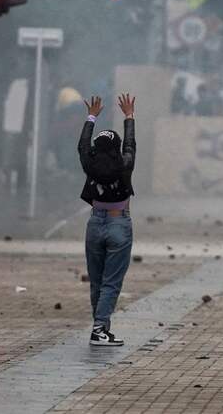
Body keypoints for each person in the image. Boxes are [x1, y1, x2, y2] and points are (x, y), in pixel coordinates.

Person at [78, 93, 136, 346]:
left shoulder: (89, 164)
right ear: (116, 148)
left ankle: (99, 327)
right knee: (111, 282)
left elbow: (82, 146)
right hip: (118, 223)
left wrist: (91, 116)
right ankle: (100, 329)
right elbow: (130, 145)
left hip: (95, 223)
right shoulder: (124, 163)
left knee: (97, 280)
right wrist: (129, 116)